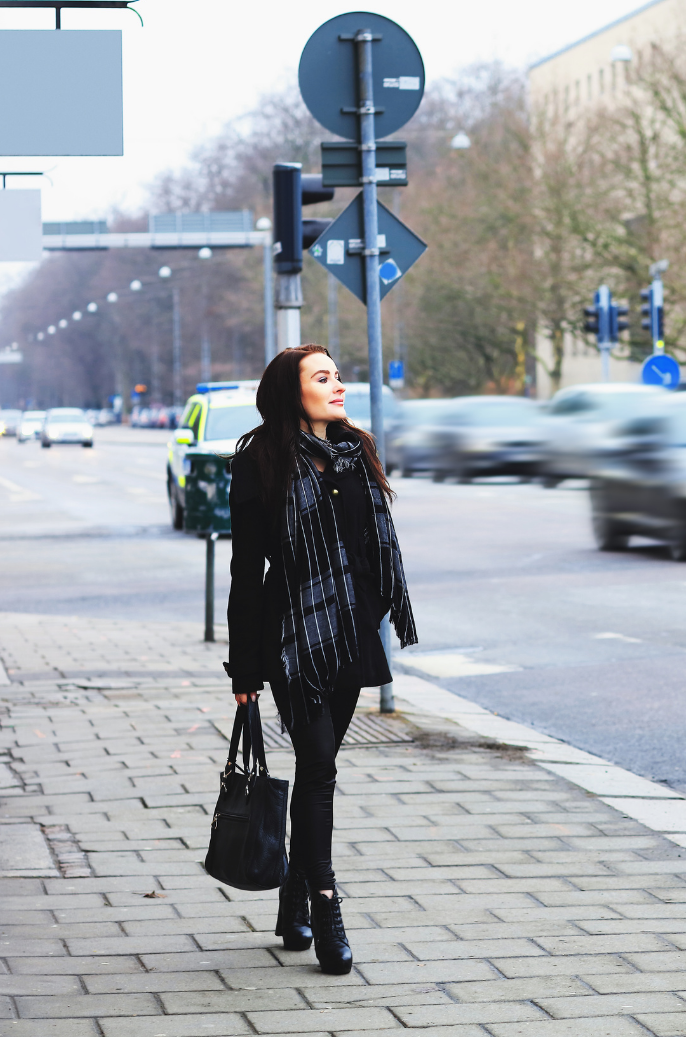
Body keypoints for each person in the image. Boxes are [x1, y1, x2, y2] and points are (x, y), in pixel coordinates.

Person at [226, 344, 418, 975]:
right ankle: (328, 902)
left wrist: (375, 612)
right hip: (292, 638)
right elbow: (247, 570)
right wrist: (245, 668)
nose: (338, 386)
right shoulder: (260, 461)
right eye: (323, 377)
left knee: (322, 763)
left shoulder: (355, 451)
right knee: (318, 765)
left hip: (353, 632)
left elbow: (371, 544)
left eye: (337, 376)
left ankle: (294, 893)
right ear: (292, 390)